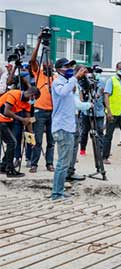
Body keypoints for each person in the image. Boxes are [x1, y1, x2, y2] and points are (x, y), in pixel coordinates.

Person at [50, 59, 87, 200]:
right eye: (66, 66)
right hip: (62, 127)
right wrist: (75, 78)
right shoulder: (58, 82)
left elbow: (74, 101)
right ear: (59, 69)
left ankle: (58, 191)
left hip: (68, 127)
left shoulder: (68, 82)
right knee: (62, 163)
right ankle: (56, 193)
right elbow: (63, 93)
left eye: (71, 66)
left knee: (64, 162)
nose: (70, 68)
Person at [29, 33, 55, 174]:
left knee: (51, 141)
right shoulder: (39, 74)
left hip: (53, 112)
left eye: (49, 64)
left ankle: (49, 163)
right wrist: (39, 42)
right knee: (37, 140)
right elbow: (33, 60)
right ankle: (34, 164)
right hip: (40, 111)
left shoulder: (55, 78)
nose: (47, 66)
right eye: (45, 64)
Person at [0, 87, 39, 177]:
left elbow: (28, 120)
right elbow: (6, 111)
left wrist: (31, 137)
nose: (33, 102)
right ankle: (10, 170)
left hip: (8, 120)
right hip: (2, 118)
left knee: (13, 143)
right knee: (12, 142)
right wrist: (21, 119)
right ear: (32, 95)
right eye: (35, 99)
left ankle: (3, 166)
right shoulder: (13, 94)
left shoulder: (27, 103)